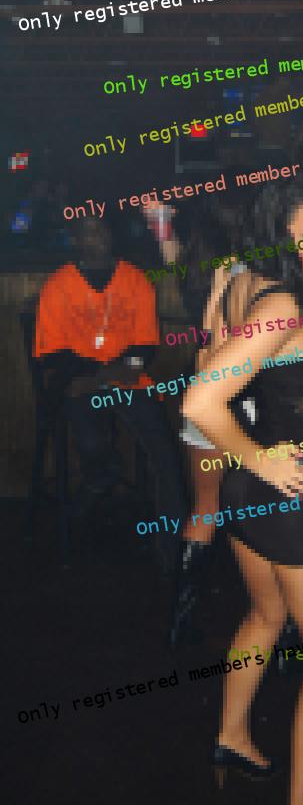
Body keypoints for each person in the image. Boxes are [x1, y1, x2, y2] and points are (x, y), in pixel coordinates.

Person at [182, 175, 303, 805]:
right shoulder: (283, 302)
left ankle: (231, 735)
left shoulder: (237, 278)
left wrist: (250, 461)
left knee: (265, 615)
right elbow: (200, 399)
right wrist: (262, 458)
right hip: (293, 497)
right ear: (275, 231)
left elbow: (207, 360)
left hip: (245, 493)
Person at [33, 216, 186, 573]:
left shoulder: (135, 279)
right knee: (91, 442)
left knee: (164, 454)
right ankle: (100, 478)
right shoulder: (59, 285)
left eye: (102, 229)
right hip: (79, 382)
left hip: (126, 381)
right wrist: (101, 375)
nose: (98, 237)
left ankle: (175, 548)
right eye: (88, 232)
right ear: (75, 240)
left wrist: (112, 373)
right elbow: (52, 354)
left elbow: (145, 344)